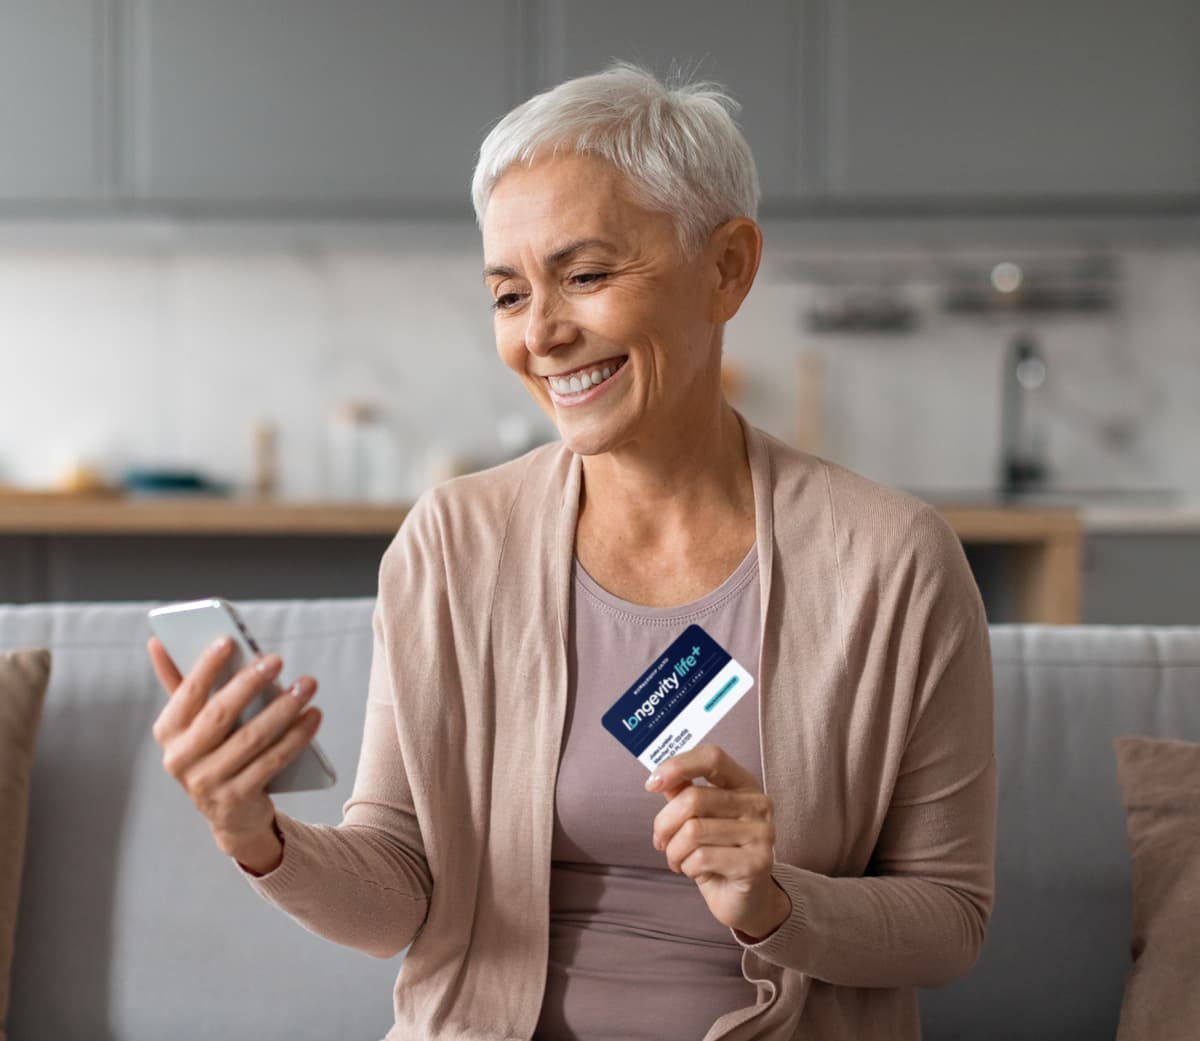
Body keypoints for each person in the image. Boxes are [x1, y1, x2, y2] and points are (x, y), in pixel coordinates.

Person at [148, 63, 996, 1041]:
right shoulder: (451, 545)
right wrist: (254, 835)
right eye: (509, 295)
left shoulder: (892, 563)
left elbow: (950, 922)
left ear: (728, 267)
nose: (543, 334)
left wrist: (772, 899)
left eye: (586, 276)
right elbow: (397, 891)